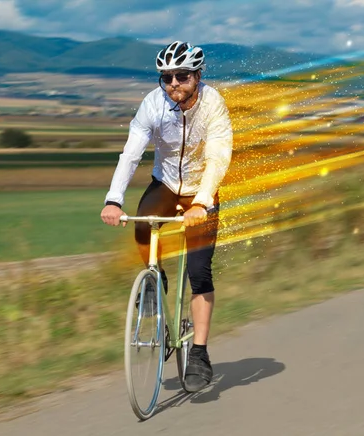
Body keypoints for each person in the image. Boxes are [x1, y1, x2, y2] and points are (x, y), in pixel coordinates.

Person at [100, 41, 233, 392]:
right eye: (166, 77)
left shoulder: (214, 105)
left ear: (197, 76)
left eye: (182, 76)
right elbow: (130, 153)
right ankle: (154, 290)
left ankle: (200, 353)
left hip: (201, 190)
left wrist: (202, 202)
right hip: (165, 185)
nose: (174, 83)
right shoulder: (153, 104)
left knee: (199, 271)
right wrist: (114, 200)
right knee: (143, 226)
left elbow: (218, 157)